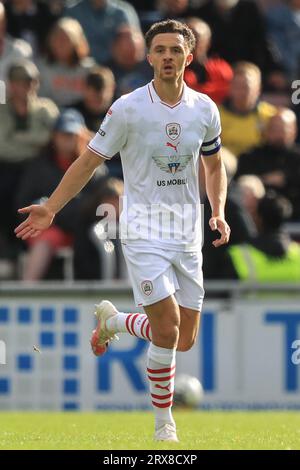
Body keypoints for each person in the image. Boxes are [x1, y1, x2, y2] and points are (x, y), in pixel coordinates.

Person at [15, 19, 230, 442]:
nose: (168, 56)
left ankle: (115, 322)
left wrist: (218, 210)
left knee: (184, 339)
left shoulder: (205, 109)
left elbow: (215, 164)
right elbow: (88, 161)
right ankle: (163, 425)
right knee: (167, 328)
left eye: (176, 50)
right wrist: (51, 208)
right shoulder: (128, 108)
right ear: (149, 57)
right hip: (142, 230)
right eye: (160, 50)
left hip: (187, 233)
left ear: (189, 57)